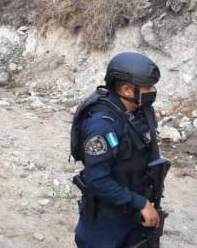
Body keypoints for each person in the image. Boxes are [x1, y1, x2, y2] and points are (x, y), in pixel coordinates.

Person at [72, 52, 170, 248]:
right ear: (126, 89)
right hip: (106, 221)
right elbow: (98, 180)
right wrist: (142, 204)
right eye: (148, 87)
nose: (153, 90)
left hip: (134, 208)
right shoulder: (102, 125)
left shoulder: (141, 111)